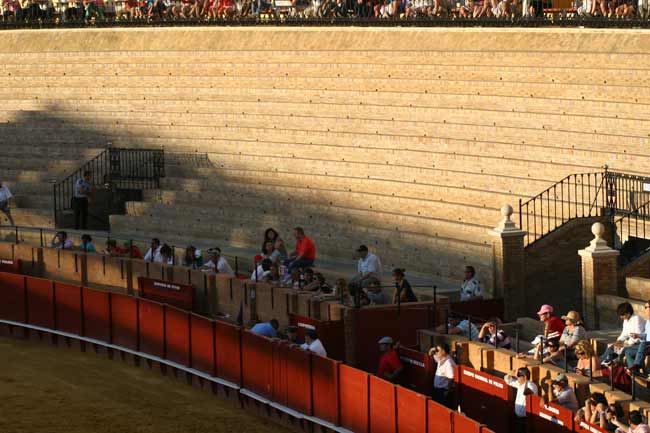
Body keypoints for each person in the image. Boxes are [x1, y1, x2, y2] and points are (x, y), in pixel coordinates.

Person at [600, 301, 644, 367]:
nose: (621, 317)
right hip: (630, 342)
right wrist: (619, 340)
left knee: (621, 350)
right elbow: (624, 333)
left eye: (622, 315)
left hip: (638, 343)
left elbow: (638, 335)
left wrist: (626, 343)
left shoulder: (637, 318)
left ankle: (603, 363)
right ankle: (603, 362)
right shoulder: (626, 320)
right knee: (611, 347)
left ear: (628, 313)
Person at [505, 367, 538, 433]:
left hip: (526, 419)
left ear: (524, 377)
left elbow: (526, 392)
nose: (517, 378)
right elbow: (507, 380)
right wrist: (509, 374)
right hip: (518, 417)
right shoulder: (519, 384)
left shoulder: (531, 385)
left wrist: (526, 382)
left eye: (518, 376)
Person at [625, 299, 650, 374]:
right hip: (646, 345)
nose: (645, 309)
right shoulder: (648, 321)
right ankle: (635, 372)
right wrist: (638, 335)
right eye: (645, 307)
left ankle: (636, 365)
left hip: (647, 345)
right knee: (628, 351)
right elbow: (646, 335)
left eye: (646, 307)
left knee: (643, 343)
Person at [428, 342, 455, 408]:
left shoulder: (449, 363)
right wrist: (433, 350)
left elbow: (451, 378)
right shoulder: (440, 359)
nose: (436, 352)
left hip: (443, 392)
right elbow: (430, 354)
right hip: (437, 390)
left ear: (443, 351)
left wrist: (447, 391)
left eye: (438, 351)